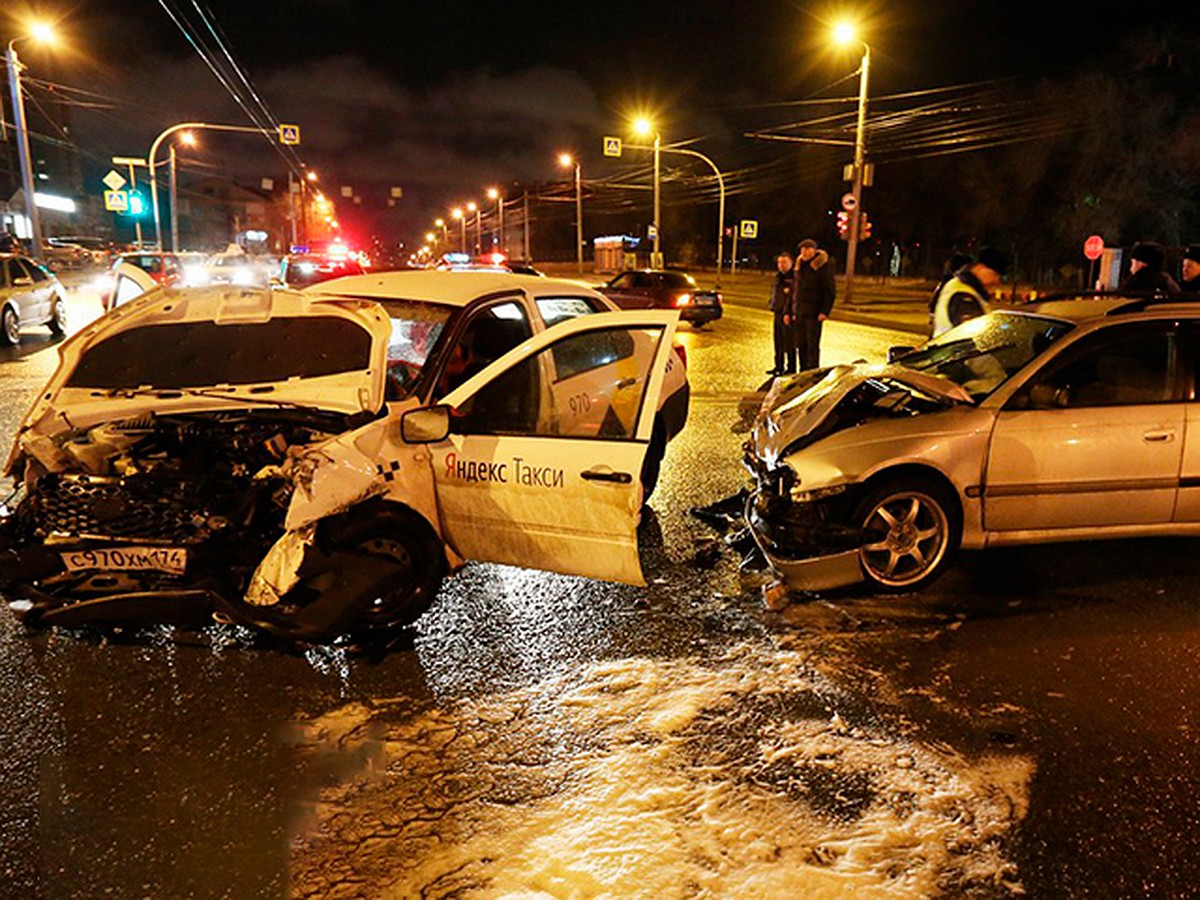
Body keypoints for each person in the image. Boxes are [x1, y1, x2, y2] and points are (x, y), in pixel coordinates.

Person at [930, 245, 1010, 337]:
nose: (996, 281)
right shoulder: (963, 294)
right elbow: (974, 335)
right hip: (955, 350)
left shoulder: (966, 288)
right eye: (995, 274)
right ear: (981, 268)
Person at [793, 238, 836, 370]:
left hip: (814, 313)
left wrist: (824, 311)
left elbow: (830, 291)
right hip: (801, 312)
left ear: (814, 250)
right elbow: (797, 290)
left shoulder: (822, 267)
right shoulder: (800, 267)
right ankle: (803, 371)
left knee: (812, 346)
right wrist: (795, 311)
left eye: (807, 249)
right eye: (802, 250)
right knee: (801, 344)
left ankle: (813, 371)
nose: (804, 252)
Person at [767, 251, 796, 374]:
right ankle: (778, 366)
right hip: (777, 312)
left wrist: (789, 312)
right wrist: (771, 304)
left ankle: (791, 368)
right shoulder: (778, 276)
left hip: (787, 314)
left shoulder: (794, 277)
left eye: (784, 262)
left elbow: (793, 296)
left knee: (789, 342)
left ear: (791, 263)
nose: (781, 265)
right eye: (779, 262)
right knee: (778, 341)